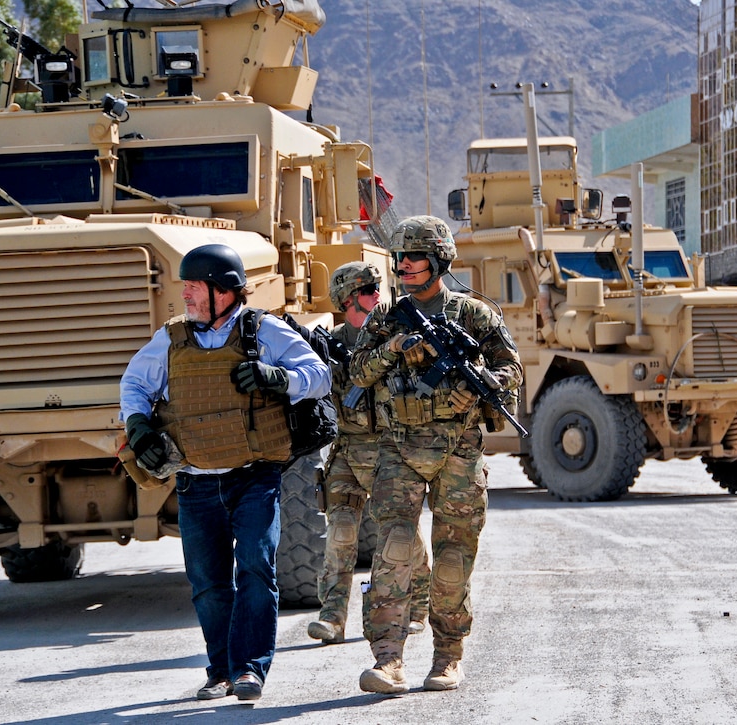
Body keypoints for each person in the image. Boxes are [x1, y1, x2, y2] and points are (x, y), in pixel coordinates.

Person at [119, 243, 330, 702]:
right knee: (209, 583)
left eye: (194, 287)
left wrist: (279, 379)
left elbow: (319, 374)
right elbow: (135, 383)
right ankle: (220, 669)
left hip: (254, 477)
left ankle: (250, 669)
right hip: (196, 482)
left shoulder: (263, 331)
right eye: (186, 287)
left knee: (255, 567)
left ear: (224, 292)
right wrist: (137, 426)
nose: (187, 296)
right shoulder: (171, 339)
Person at [349, 216, 523, 694]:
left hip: (458, 455)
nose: (404, 265)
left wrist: (483, 388)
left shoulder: (475, 315)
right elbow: (356, 373)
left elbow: (512, 370)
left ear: (440, 260)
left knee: (453, 560)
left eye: (415, 257)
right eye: (400, 257)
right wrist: (392, 349)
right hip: (397, 452)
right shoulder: (385, 318)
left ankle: (448, 657)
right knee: (393, 553)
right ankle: (388, 661)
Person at [306, 262, 431, 645]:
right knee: (341, 533)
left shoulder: (394, 335)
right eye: (366, 290)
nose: (376, 295)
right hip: (347, 451)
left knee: (402, 535)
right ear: (347, 300)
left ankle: (419, 605)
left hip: (388, 451)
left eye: (377, 288)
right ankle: (332, 617)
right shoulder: (329, 342)